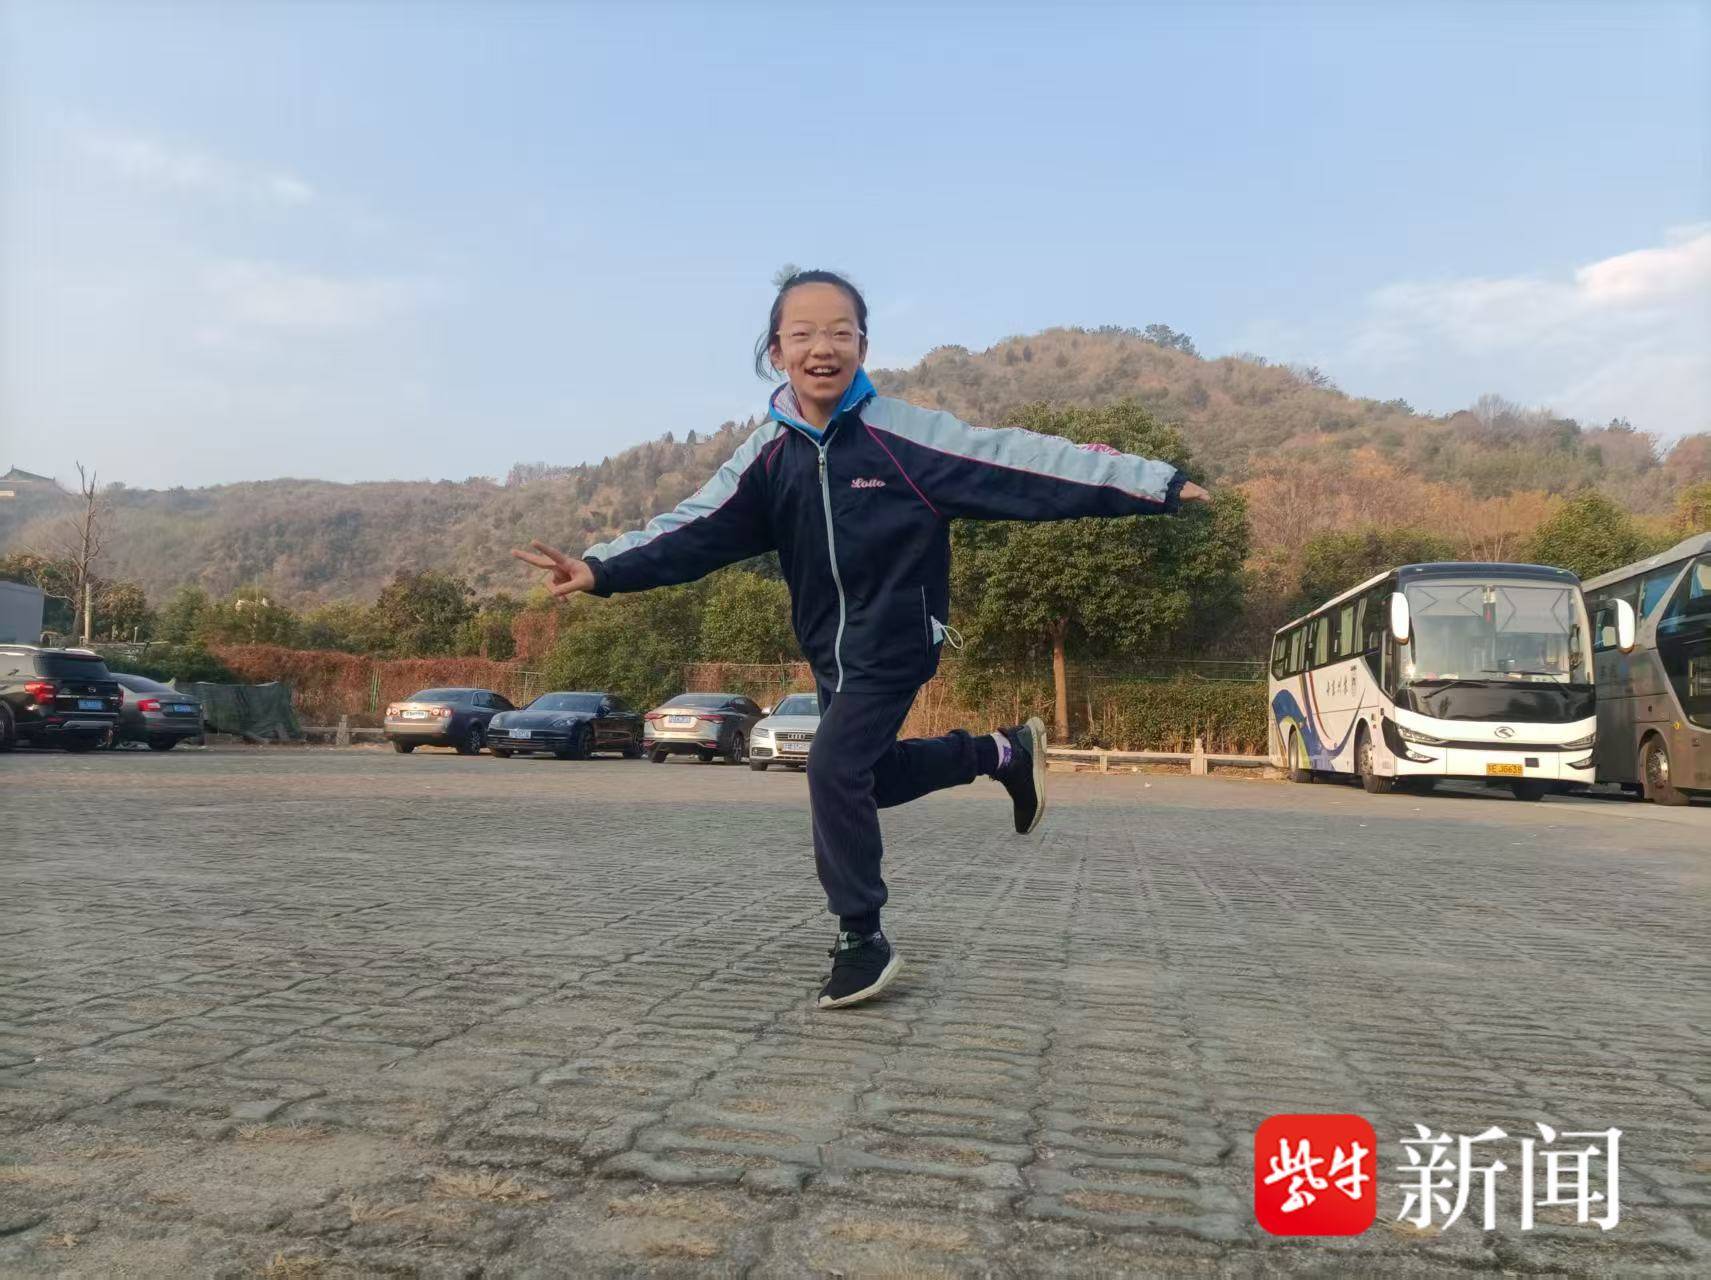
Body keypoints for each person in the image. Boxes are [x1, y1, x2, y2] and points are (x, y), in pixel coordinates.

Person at [514, 269, 1208, 1010]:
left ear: (863, 347)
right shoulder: (766, 459)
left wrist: (1155, 483)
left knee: (831, 770)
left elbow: (1022, 463)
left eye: (840, 332)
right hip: (829, 650)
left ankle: (861, 938)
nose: (823, 347)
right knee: (866, 780)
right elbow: (692, 529)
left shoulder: (906, 438)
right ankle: (1000, 753)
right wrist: (601, 568)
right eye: (803, 334)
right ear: (776, 353)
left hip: (896, 639)